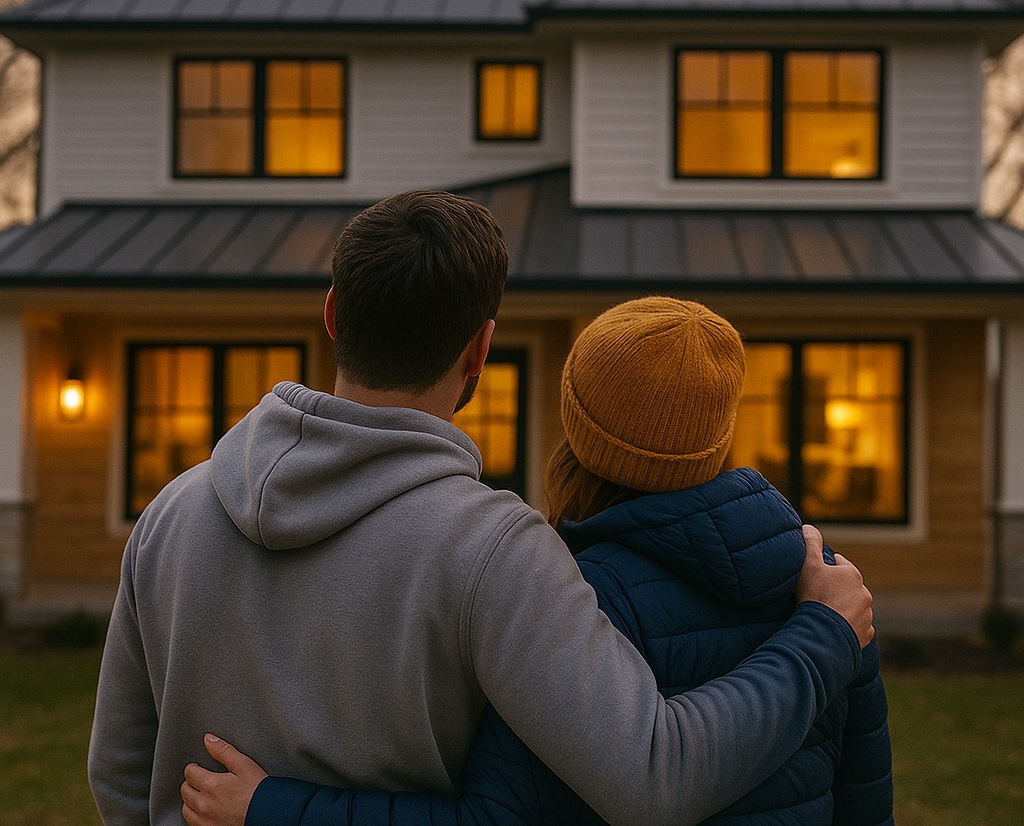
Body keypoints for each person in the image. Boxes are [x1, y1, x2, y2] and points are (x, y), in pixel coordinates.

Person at [88, 191, 873, 826]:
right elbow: (653, 777)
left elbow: (120, 774)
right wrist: (821, 639)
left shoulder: (171, 514)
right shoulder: (496, 550)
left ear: (333, 314)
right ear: (480, 351)